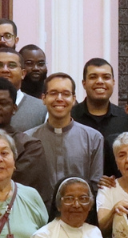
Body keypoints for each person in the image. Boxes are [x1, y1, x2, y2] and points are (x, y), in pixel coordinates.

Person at [25, 72, 106, 209]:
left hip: (80, 215)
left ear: (74, 99)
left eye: (66, 94)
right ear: (44, 98)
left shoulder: (93, 138)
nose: (59, 98)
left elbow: (95, 186)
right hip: (39, 215)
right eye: (53, 93)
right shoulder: (27, 139)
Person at [73, 58, 128, 138]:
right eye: (93, 77)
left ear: (113, 82)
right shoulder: (70, 117)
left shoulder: (126, 119)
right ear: (84, 84)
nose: (100, 81)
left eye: (106, 77)